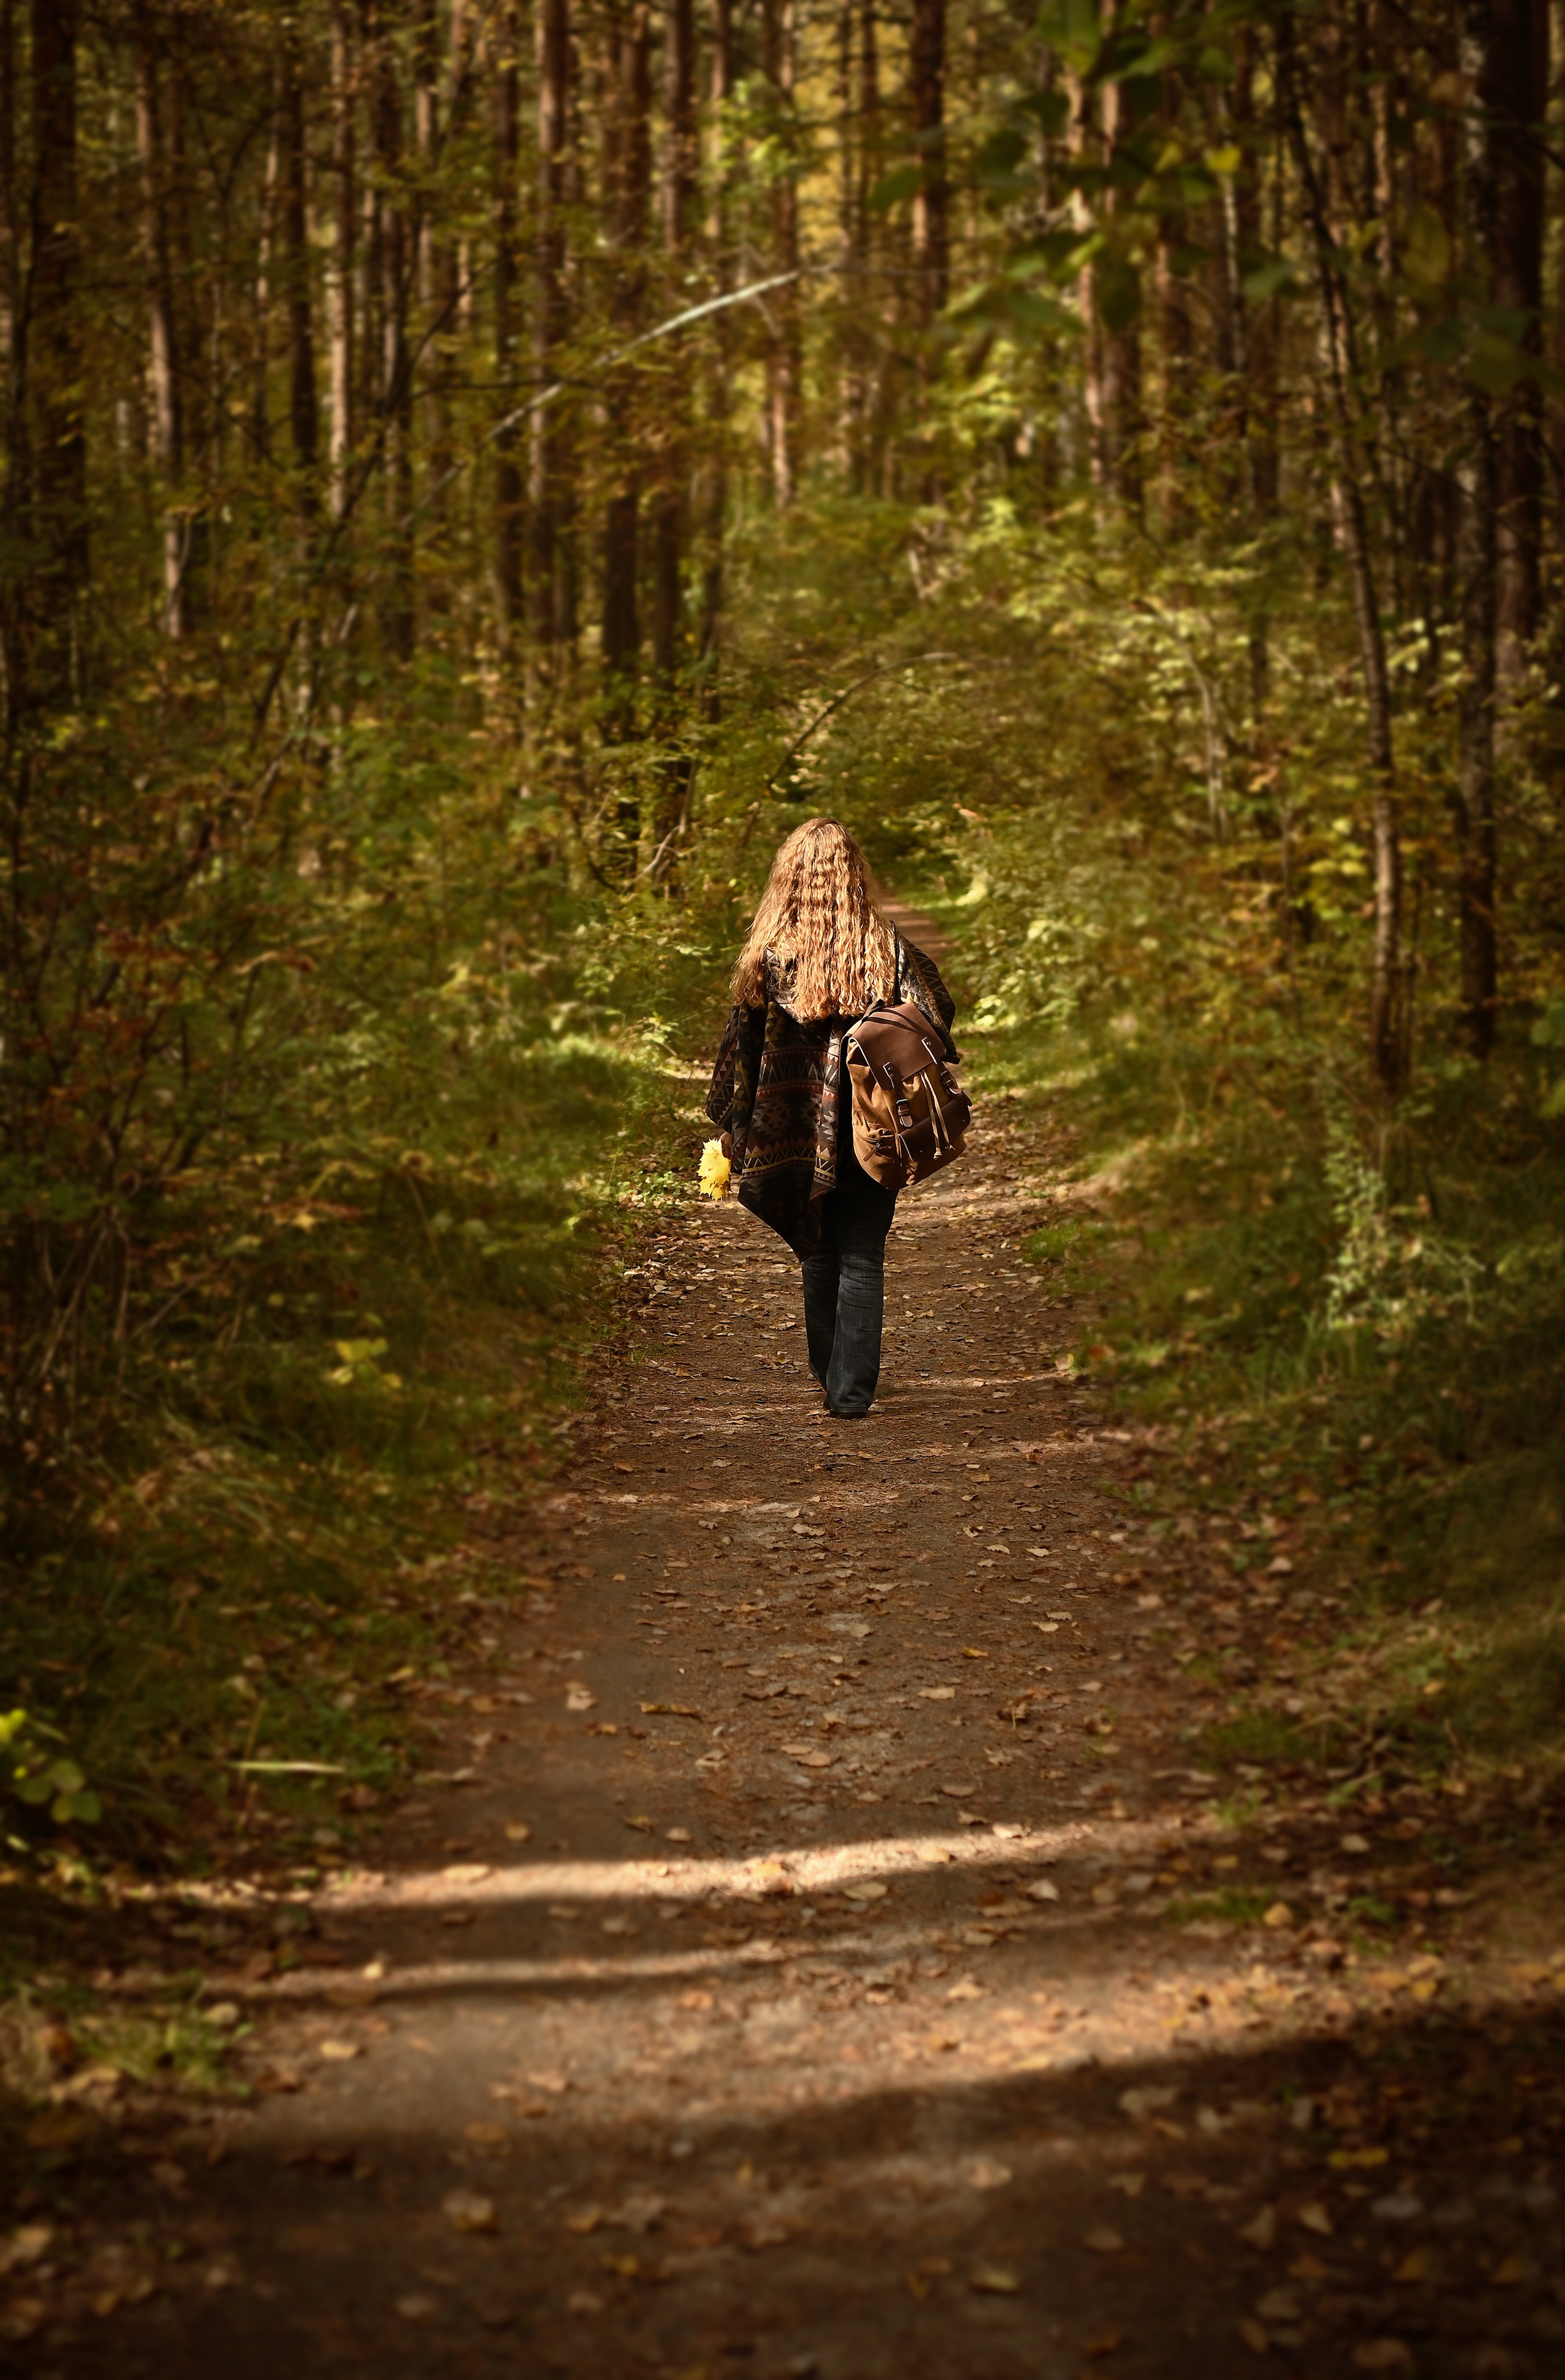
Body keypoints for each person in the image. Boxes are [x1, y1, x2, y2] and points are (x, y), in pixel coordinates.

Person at [704, 816, 958, 1419]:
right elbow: (938, 1012)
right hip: (875, 1122)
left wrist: (731, 1125)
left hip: (791, 1126)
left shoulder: (769, 958)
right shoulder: (886, 948)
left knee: (817, 1248)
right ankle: (850, 1392)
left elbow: (742, 1050)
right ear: (854, 877)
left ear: (790, 879)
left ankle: (830, 1374)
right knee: (863, 1252)